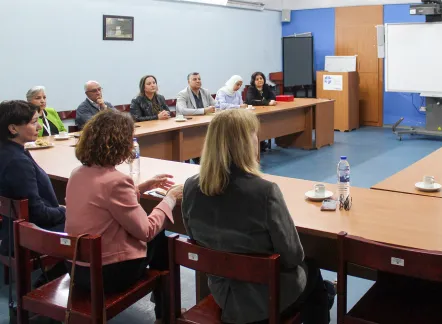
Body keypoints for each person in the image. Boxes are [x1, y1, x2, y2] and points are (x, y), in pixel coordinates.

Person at [181, 109, 334, 324]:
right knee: (313, 274)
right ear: (245, 143)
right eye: (254, 134)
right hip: (264, 298)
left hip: (221, 291)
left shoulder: (191, 187)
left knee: (318, 286)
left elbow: (194, 238)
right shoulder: (265, 192)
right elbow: (292, 256)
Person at [65, 109, 183, 323]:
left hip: (77, 269)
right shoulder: (115, 181)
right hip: (108, 274)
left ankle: (166, 311)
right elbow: (146, 231)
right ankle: (167, 313)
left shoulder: (78, 173)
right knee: (161, 237)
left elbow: (104, 202)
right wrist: (171, 198)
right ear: (120, 144)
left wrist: (141, 187)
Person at [0, 100, 66, 255]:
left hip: (13, 228)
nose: (39, 127)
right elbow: (38, 214)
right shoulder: (17, 161)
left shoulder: (9, 150)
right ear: (13, 128)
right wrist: (65, 212)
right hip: (33, 234)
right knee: (94, 225)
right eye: (34, 122)